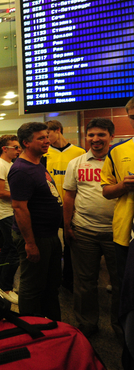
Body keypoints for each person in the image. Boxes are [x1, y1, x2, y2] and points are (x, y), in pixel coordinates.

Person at [63, 118, 120, 339]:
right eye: (91, 135)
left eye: (101, 134)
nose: (95, 139)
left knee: (120, 282)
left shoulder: (120, 160)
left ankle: (120, 326)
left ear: (111, 137)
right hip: (84, 230)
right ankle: (87, 323)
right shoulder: (76, 163)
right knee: (84, 282)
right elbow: (69, 196)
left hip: (119, 232)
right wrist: (67, 226)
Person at [8, 122, 63, 321]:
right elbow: (19, 208)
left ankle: (53, 325)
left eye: (47, 136)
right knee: (32, 287)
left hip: (48, 234)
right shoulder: (21, 170)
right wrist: (30, 244)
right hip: (36, 237)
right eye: (41, 138)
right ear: (26, 143)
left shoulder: (37, 164)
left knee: (50, 285)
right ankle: (30, 327)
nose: (47, 141)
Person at [43, 120, 85, 292]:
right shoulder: (45, 153)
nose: (46, 139)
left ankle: (69, 279)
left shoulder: (79, 152)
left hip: (71, 206)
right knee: (51, 244)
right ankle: (52, 279)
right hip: (51, 206)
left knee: (70, 243)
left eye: (48, 135)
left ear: (58, 130)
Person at [101, 96, 134, 286]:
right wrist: (123, 186)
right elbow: (106, 191)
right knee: (126, 284)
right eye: (133, 117)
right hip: (125, 231)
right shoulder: (117, 151)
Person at [0, 135, 21, 304]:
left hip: (9, 212)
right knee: (15, 249)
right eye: (15, 147)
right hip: (6, 213)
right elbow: (0, 192)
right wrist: (22, 195)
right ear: (4, 149)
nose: (18, 150)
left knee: (8, 247)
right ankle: (6, 287)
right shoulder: (0, 165)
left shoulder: (8, 164)